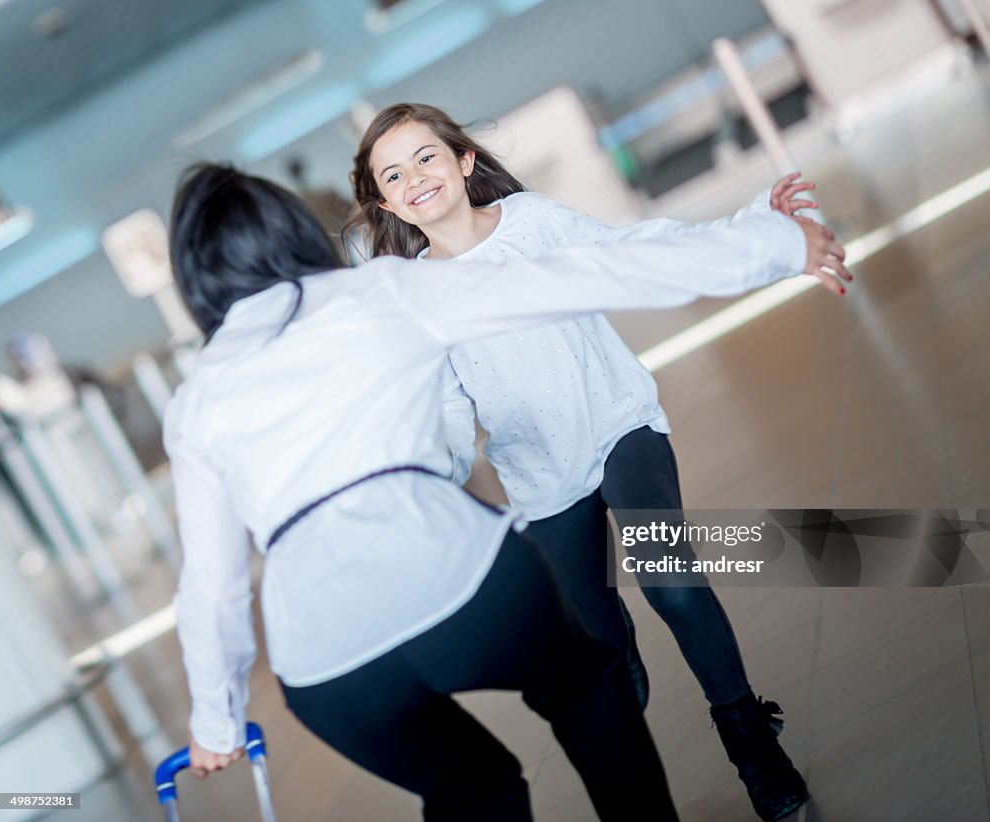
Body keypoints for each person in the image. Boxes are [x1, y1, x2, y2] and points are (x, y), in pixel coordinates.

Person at [167, 164, 845, 821]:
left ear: (193, 277)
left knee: (474, 793)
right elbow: (585, 276)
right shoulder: (380, 292)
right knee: (587, 686)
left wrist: (215, 721)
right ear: (295, 231)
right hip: (456, 584)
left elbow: (211, 588)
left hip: (327, 665)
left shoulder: (195, 401)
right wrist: (773, 245)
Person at [348, 103, 850, 821]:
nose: (415, 178)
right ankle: (623, 666)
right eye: (393, 175)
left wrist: (753, 227)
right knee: (603, 660)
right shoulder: (417, 299)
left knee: (671, 583)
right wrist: (427, 481)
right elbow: (452, 417)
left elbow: (635, 251)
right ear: (384, 202)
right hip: (542, 484)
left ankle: (753, 747)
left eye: (426, 157)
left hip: (620, 428)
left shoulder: (533, 223)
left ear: (462, 161)